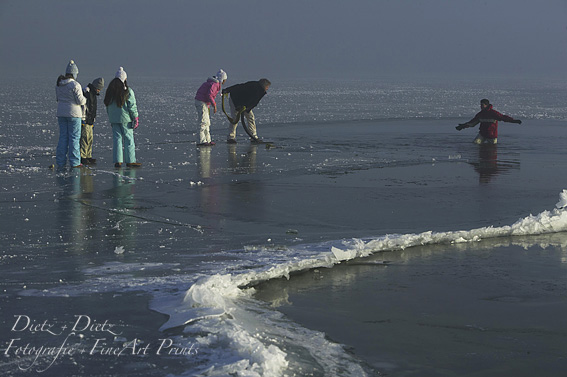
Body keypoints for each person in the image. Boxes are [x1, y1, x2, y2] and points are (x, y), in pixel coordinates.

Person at [104, 67, 141, 168]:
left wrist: (111, 117)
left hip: (114, 119)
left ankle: (118, 161)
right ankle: (130, 161)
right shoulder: (127, 91)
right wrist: (135, 117)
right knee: (129, 139)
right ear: (125, 79)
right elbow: (132, 106)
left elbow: (108, 105)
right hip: (126, 119)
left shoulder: (110, 91)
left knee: (117, 139)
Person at [55, 60, 87, 168]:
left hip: (61, 114)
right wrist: (85, 99)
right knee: (74, 138)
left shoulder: (59, 84)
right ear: (74, 74)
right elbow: (80, 101)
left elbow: (58, 98)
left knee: (63, 137)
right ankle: (75, 162)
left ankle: (60, 161)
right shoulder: (75, 84)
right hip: (74, 115)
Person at [222, 78, 271, 143]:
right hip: (235, 100)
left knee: (250, 118)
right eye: (267, 86)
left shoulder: (261, 92)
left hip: (245, 106)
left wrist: (247, 109)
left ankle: (253, 136)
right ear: (264, 85)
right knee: (235, 119)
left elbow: (254, 102)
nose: (267, 88)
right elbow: (239, 87)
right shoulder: (252, 86)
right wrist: (227, 90)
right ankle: (231, 137)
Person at [456, 99, 522, 144]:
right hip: (482, 134)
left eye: (482, 105)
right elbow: (472, 123)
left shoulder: (493, 113)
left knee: (492, 150)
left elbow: (503, 118)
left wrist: (514, 121)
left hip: (492, 135)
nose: (481, 106)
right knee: (475, 143)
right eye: (480, 105)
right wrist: (463, 126)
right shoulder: (480, 114)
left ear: (486, 105)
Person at [194, 69, 227, 146]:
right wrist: (214, 105)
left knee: (207, 122)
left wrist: (208, 105)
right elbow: (209, 95)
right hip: (201, 102)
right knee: (203, 121)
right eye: (225, 79)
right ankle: (201, 141)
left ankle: (207, 140)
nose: (225, 81)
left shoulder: (214, 83)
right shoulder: (214, 84)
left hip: (204, 103)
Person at [81, 77, 105, 165]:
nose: (99, 91)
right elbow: (84, 107)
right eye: (99, 89)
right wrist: (83, 119)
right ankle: (83, 156)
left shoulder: (93, 94)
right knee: (85, 139)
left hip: (91, 120)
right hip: (85, 119)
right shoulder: (87, 92)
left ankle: (88, 156)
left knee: (90, 139)